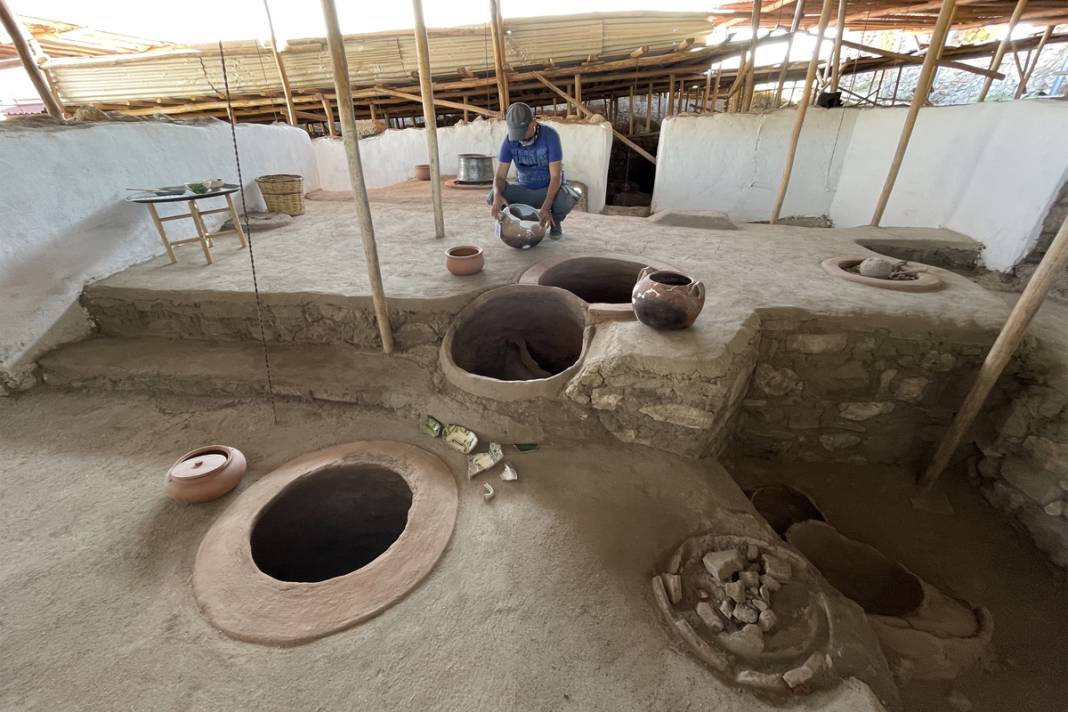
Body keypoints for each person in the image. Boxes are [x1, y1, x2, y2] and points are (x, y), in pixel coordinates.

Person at [488, 102, 580, 238]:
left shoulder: (550, 136)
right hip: (524, 188)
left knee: (566, 200)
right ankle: (518, 221)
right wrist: (497, 195)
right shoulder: (509, 142)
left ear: (533, 123)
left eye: (522, 133)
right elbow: (500, 177)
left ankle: (555, 221)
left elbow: (556, 177)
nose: (520, 139)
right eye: (516, 134)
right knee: (493, 196)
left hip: (548, 190)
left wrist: (547, 206)